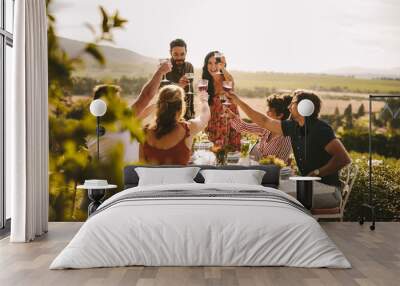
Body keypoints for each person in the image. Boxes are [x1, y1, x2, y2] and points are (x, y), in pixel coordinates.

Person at [226, 89, 351, 209]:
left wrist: (318, 172)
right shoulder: (294, 127)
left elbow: (343, 159)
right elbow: (264, 121)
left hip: (328, 191)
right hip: (308, 187)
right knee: (269, 193)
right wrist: (238, 101)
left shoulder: (321, 130)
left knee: (273, 197)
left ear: (304, 106)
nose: (289, 107)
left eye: (293, 103)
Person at [139, 85, 211, 165]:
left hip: (152, 177)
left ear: (159, 105)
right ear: (181, 107)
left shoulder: (145, 132)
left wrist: (157, 105)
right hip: (180, 178)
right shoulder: (189, 128)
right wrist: (204, 100)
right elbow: (205, 117)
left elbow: (141, 168)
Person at [227, 94, 292, 164]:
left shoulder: (286, 138)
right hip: (257, 168)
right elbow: (244, 127)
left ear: (280, 115)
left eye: (270, 111)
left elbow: (279, 164)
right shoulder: (266, 128)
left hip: (272, 172)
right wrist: (232, 116)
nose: (266, 113)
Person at [202, 51, 241, 151]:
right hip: (214, 123)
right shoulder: (205, 82)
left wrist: (222, 68)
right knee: (214, 154)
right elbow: (205, 104)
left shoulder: (226, 78)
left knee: (232, 153)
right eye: (209, 63)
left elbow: (231, 84)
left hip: (229, 121)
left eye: (216, 63)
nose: (213, 66)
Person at [164, 38, 195, 120]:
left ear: (186, 52)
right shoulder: (164, 68)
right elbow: (163, 93)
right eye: (175, 54)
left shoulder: (189, 66)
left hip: (188, 115)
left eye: (182, 54)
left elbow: (190, 89)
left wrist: (191, 113)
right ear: (170, 53)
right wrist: (178, 86)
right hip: (170, 116)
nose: (179, 57)